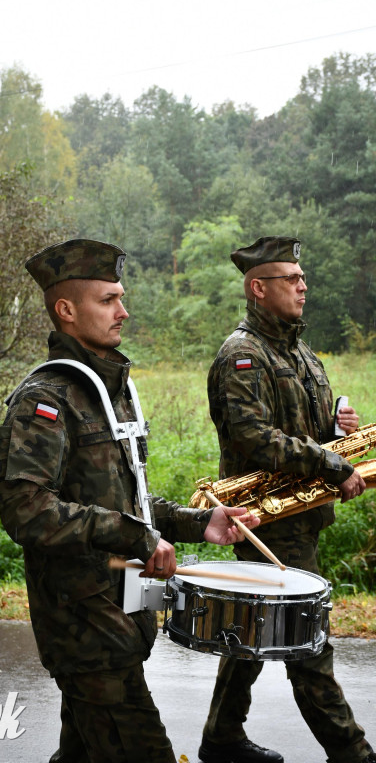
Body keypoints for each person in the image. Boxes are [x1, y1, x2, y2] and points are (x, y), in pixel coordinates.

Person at [0, 238, 260, 763]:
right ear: (67, 311)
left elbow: (128, 498)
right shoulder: (45, 399)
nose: (124, 310)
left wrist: (199, 521)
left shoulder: (109, 390)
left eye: (122, 297)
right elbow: (25, 510)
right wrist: (136, 536)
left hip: (116, 620)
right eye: (109, 300)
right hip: (85, 629)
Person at [198, 236, 375, 763]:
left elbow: (303, 428)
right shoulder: (243, 356)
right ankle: (353, 753)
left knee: (250, 630)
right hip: (265, 519)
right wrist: (331, 463)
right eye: (290, 279)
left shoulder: (298, 349)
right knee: (309, 642)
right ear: (258, 288)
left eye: (302, 278)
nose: (303, 286)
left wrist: (337, 427)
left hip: (301, 514)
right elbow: (254, 438)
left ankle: (221, 737)